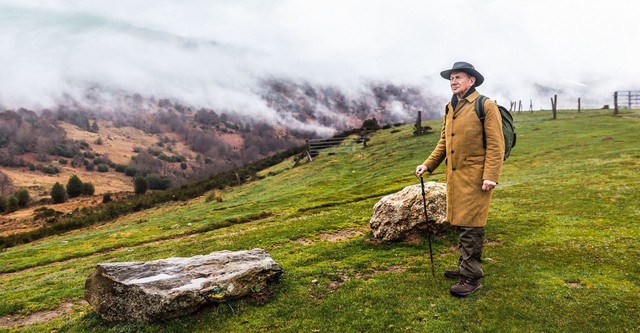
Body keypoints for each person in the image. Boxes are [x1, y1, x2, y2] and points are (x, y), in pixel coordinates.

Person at [415, 61, 504, 297]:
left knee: (472, 226)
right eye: (451, 78)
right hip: (455, 176)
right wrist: (428, 164)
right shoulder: (451, 106)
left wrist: (491, 176)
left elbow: (496, 145)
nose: (453, 82)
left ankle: (472, 277)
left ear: (471, 80)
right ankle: (464, 265)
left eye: (458, 77)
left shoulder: (485, 105)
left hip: (477, 177)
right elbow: (445, 141)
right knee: (461, 222)